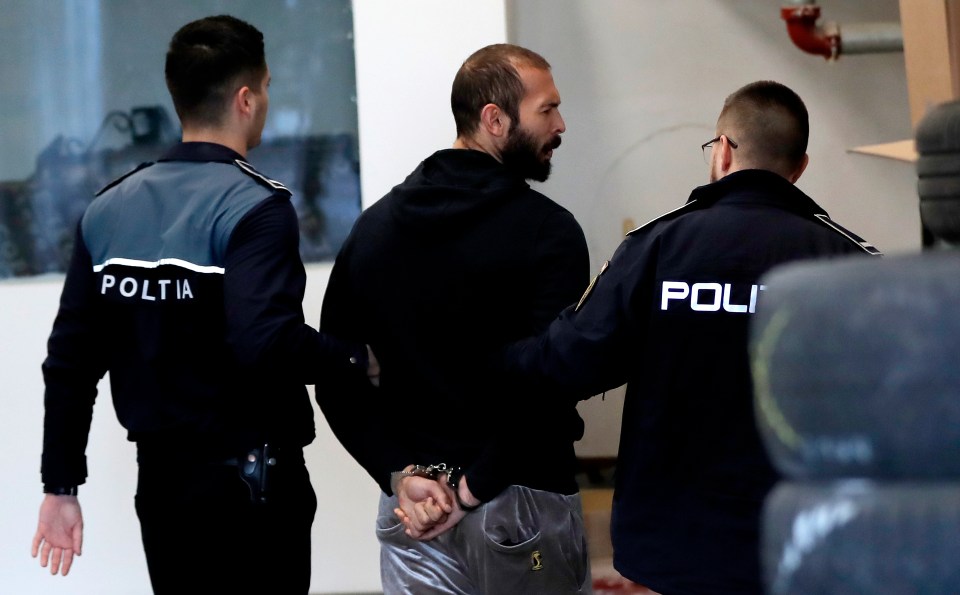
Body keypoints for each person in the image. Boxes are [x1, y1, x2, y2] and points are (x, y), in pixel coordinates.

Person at [31, 15, 375, 594]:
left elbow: (69, 362)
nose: (266, 100)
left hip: (162, 489)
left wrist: (60, 485)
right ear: (246, 97)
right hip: (254, 487)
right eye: (265, 87)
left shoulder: (108, 208)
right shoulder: (255, 206)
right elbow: (266, 340)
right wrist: (359, 359)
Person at [504, 80, 882, 595]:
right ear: (800, 168)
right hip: (802, 547)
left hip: (672, 544)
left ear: (723, 151)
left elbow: (567, 362)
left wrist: (483, 356)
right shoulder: (850, 263)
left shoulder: (657, 245)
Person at [317, 43, 592, 594]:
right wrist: (470, 491)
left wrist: (399, 475)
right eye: (547, 110)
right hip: (523, 514)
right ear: (495, 119)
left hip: (414, 517)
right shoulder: (550, 232)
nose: (561, 124)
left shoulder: (374, 231)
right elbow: (549, 386)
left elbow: (335, 375)